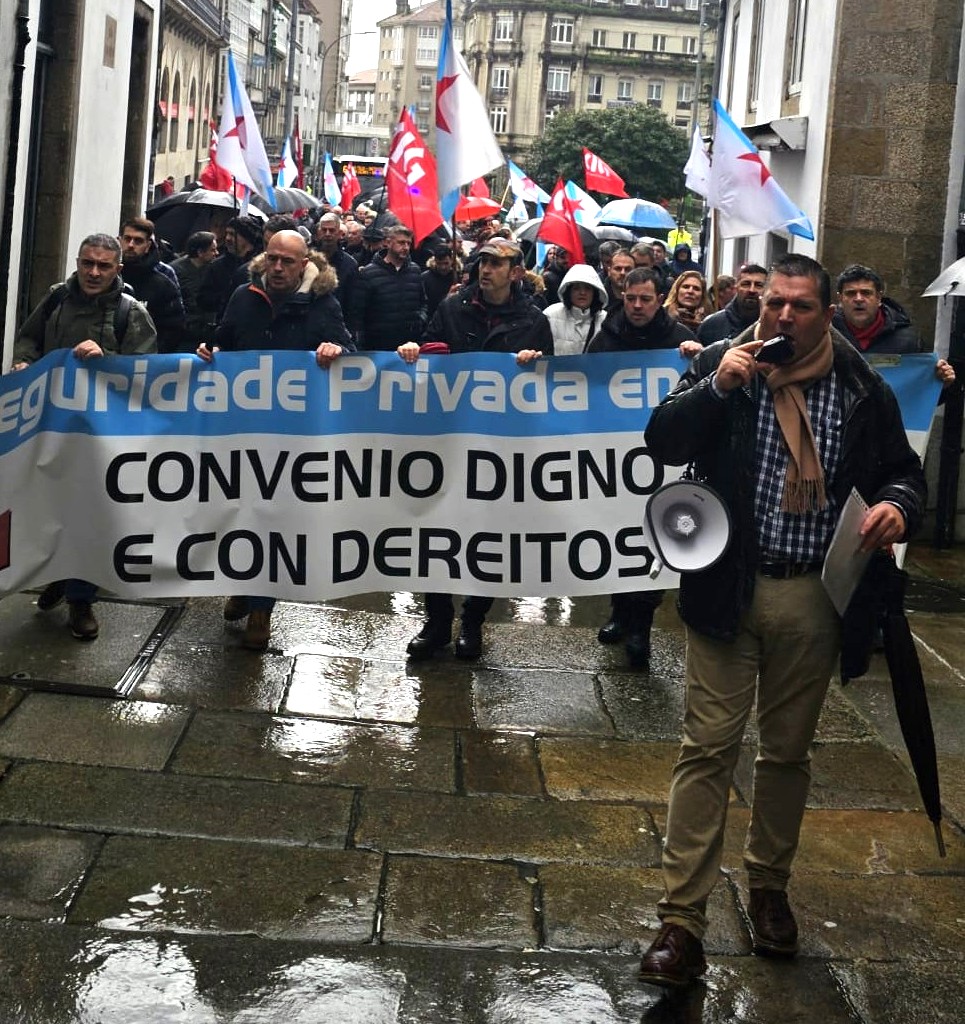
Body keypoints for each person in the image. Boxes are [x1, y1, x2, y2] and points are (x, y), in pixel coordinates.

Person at [637, 255, 926, 988]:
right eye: (774, 304)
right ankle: (681, 921)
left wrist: (897, 506)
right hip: (726, 585)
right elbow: (662, 441)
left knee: (787, 752)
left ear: (827, 314)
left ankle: (768, 887)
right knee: (706, 749)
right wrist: (716, 386)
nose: (784, 317)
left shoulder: (860, 385)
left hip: (812, 595)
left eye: (800, 306)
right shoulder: (722, 364)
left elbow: (902, 471)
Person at [397, 237, 554, 662]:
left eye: (496, 263)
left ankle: (473, 621)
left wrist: (534, 364)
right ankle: (436, 621)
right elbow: (430, 352)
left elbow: (547, 386)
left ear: (516, 272)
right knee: (437, 530)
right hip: (450, 439)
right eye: (482, 261)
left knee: (491, 534)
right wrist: (414, 351)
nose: (486, 269)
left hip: (499, 445)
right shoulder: (453, 308)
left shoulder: (534, 321)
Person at [196, 230, 354, 651]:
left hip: (293, 435)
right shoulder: (243, 296)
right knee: (242, 512)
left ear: (305, 263)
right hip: (243, 428)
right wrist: (210, 351)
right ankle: (242, 585)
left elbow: (349, 350)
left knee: (276, 519)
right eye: (272, 258)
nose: (278, 268)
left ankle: (262, 609)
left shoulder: (323, 303)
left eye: (287, 261)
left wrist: (335, 350)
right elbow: (224, 340)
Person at [13, 233, 158, 641]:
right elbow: (29, 336)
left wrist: (108, 359)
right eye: (87, 263)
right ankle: (59, 574)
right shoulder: (56, 299)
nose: (94, 272)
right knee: (52, 506)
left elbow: (146, 372)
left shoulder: (131, 313)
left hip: (101, 435)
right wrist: (24, 361)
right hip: (52, 426)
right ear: (77, 262)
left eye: (103, 266)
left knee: (92, 513)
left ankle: (81, 599)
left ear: (118, 269)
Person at [586, 267, 700, 669]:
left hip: (660, 460)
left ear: (659, 299)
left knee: (653, 539)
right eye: (631, 298)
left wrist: (697, 355)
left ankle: (641, 628)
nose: (637, 306)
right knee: (619, 534)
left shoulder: (679, 339)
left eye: (645, 299)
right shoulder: (605, 339)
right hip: (616, 458)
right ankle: (619, 613)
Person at [833, 264, 956, 387]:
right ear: (840, 299)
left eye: (866, 293)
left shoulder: (908, 340)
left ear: (879, 298)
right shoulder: (826, 335)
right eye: (851, 293)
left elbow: (921, 388)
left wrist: (940, 381)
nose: (859, 299)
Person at [349, 224, 427, 351]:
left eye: (408, 243)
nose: (406, 247)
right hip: (378, 346)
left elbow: (423, 302)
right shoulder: (368, 273)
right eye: (401, 243)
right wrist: (360, 344)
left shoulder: (415, 270)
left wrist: (419, 320)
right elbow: (357, 313)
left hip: (409, 345)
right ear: (388, 243)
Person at [118, 216, 187, 353]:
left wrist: (153, 355)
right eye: (127, 239)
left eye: (138, 241)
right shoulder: (106, 276)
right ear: (119, 240)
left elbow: (174, 327)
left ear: (148, 246)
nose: (131, 245)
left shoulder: (163, 284)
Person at [543, 263, 608, 355]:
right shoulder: (550, 315)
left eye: (588, 288)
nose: (582, 293)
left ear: (595, 293)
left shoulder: (605, 320)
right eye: (576, 288)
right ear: (568, 291)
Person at [697, 263, 768, 345]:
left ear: (768, 289)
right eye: (746, 284)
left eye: (759, 285)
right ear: (736, 287)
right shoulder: (711, 325)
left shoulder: (775, 326)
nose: (752, 290)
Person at [171, 231, 218, 351]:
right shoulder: (175, 271)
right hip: (183, 333)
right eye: (212, 250)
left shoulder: (212, 269)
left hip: (204, 330)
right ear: (200, 252)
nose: (216, 253)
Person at [312, 211, 358, 311]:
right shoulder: (310, 259)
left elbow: (352, 301)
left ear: (339, 233)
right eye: (324, 230)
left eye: (332, 230)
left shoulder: (349, 264)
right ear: (319, 232)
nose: (327, 234)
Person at [422, 247, 461, 317]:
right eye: (439, 263)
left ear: (452, 260)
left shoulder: (459, 277)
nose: (443, 267)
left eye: (446, 263)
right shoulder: (425, 278)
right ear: (435, 261)